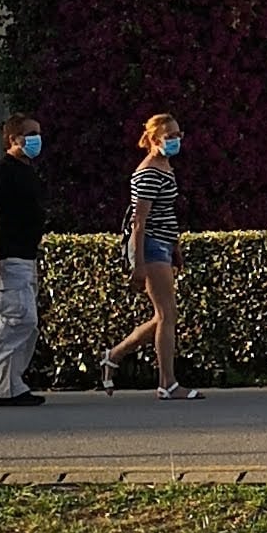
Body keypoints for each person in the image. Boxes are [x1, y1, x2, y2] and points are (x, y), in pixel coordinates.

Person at [104, 108, 199, 401]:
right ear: (154, 139)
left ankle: (114, 355)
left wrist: (175, 246)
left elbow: (166, 213)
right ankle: (167, 383)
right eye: (170, 136)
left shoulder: (165, 168)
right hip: (150, 245)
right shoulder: (147, 172)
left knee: (164, 316)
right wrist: (139, 265)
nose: (176, 140)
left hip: (163, 244)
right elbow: (139, 221)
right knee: (166, 315)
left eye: (178, 135)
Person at [0, 108, 48, 408]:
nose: (37, 139)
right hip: (8, 258)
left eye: (38, 133)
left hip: (26, 258)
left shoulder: (28, 171)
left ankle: (10, 386)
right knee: (20, 319)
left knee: (27, 324)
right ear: (12, 138)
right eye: (30, 134)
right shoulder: (2, 171)